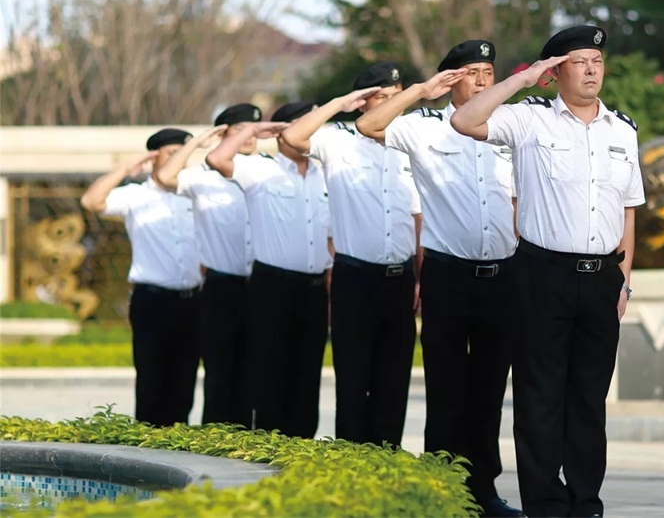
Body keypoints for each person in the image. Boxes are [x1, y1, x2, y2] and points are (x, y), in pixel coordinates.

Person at [450, 25, 646, 518]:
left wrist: (625, 281)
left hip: (602, 278)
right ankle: (545, 505)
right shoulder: (529, 119)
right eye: (579, 62)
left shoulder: (622, 130)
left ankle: (585, 503)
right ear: (556, 71)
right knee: (539, 398)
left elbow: (628, 209)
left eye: (597, 62)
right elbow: (465, 120)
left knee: (589, 400)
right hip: (542, 275)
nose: (591, 70)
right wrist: (523, 77)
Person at [356, 42, 523, 518]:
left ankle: (483, 492)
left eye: (488, 71)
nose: (483, 81)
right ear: (451, 79)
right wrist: (420, 91)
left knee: (489, 392)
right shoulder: (423, 127)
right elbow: (368, 126)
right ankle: (443, 489)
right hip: (449, 277)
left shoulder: (508, 127)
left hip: (502, 277)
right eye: (472, 72)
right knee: (447, 390)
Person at [282, 62, 422, 448]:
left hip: (400, 280)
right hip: (356, 279)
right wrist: (339, 103)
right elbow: (293, 136)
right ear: (363, 103)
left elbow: (417, 218)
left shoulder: (410, 143)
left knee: (394, 384)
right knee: (354, 383)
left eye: (398, 98)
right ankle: (352, 466)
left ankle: (387, 464)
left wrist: (421, 277)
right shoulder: (339, 141)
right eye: (383, 98)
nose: (393, 106)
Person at [206, 102, 331, 439]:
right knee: (269, 371)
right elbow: (217, 159)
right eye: (302, 125)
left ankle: (301, 449)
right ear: (280, 133)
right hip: (273, 287)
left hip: (315, 288)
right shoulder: (261, 169)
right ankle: (267, 447)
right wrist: (253, 130)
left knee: (308, 373)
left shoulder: (326, 172)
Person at [156, 104, 270, 427]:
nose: (249, 136)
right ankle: (216, 440)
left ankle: (254, 443)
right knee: (220, 372)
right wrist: (196, 143)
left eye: (253, 129)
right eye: (239, 130)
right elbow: (165, 177)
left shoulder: (270, 171)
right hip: (222, 287)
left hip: (264, 285)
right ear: (222, 134)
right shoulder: (201, 177)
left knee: (259, 372)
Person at [80, 128, 202, 427]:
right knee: (151, 379)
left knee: (184, 382)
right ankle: (147, 442)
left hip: (193, 300)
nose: (179, 159)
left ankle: (177, 441)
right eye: (172, 153)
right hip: (152, 300)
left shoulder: (195, 193)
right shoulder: (136, 195)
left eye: (182, 153)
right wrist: (124, 169)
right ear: (153, 157)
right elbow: (92, 202)